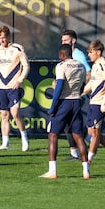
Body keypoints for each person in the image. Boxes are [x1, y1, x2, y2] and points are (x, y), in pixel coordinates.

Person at [39, 44, 90, 179]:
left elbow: (59, 86)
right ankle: (86, 171)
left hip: (64, 102)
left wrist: (53, 107)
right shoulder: (81, 66)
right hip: (76, 101)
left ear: (62, 55)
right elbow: (83, 85)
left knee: (53, 135)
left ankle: (52, 171)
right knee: (78, 136)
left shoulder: (61, 66)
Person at [0, 25, 30, 151]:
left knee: (15, 113)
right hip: (2, 87)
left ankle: (24, 139)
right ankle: (5, 143)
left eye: (4, 38)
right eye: (0, 38)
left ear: (9, 37)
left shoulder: (17, 49)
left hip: (14, 87)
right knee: (4, 115)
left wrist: (20, 80)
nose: (2, 41)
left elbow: (26, 66)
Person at [61, 30, 91, 160]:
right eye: (62, 41)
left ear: (73, 41)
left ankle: (79, 149)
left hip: (75, 96)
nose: (63, 43)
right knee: (70, 124)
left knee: (70, 123)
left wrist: (83, 91)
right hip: (69, 96)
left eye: (66, 40)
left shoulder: (78, 55)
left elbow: (88, 74)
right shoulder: (67, 55)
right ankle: (76, 150)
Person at [81, 40, 105, 165]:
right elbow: (92, 83)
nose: (89, 55)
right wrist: (82, 92)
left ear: (98, 52)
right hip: (93, 101)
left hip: (100, 103)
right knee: (91, 132)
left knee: (95, 132)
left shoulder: (103, 64)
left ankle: (88, 159)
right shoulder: (95, 65)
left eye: (91, 52)